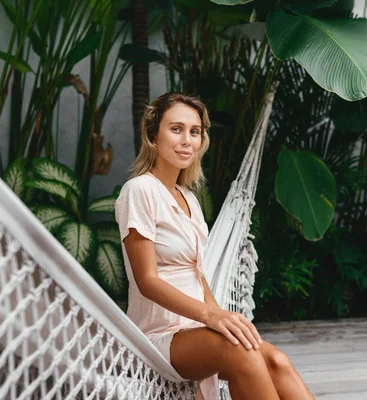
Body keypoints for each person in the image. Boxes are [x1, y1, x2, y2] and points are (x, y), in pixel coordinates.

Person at [114, 93, 314, 400]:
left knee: (276, 360)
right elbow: (147, 280)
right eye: (176, 129)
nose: (186, 140)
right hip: (159, 333)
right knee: (240, 353)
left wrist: (224, 316)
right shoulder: (139, 190)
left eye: (194, 132)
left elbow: (198, 275)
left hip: (197, 326)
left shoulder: (189, 199)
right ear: (153, 135)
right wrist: (210, 317)